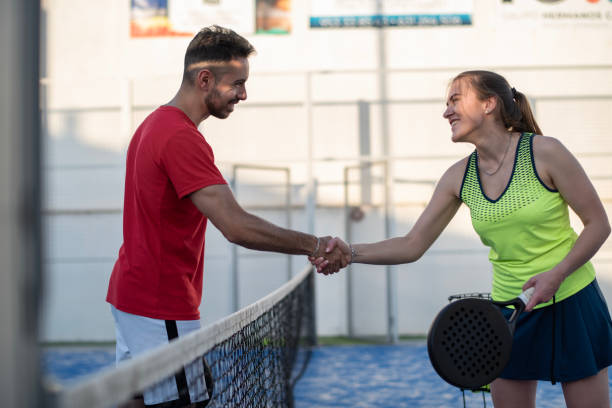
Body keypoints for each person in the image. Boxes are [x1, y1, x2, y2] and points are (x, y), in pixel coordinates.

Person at [313, 70, 612, 408]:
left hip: (571, 301)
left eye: (455, 100)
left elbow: (598, 224)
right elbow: (413, 243)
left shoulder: (546, 152)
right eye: (446, 104)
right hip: (509, 315)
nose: (446, 112)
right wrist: (350, 252)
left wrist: (556, 275)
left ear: (489, 104)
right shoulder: (459, 177)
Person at [106, 25, 345, 408]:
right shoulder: (179, 137)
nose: (243, 94)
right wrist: (315, 245)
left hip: (135, 297)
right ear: (205, 79)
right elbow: (236, 226)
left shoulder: (154, 124)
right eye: (237, 83)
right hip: (159, 303)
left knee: (137, 401)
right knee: (187, 402)